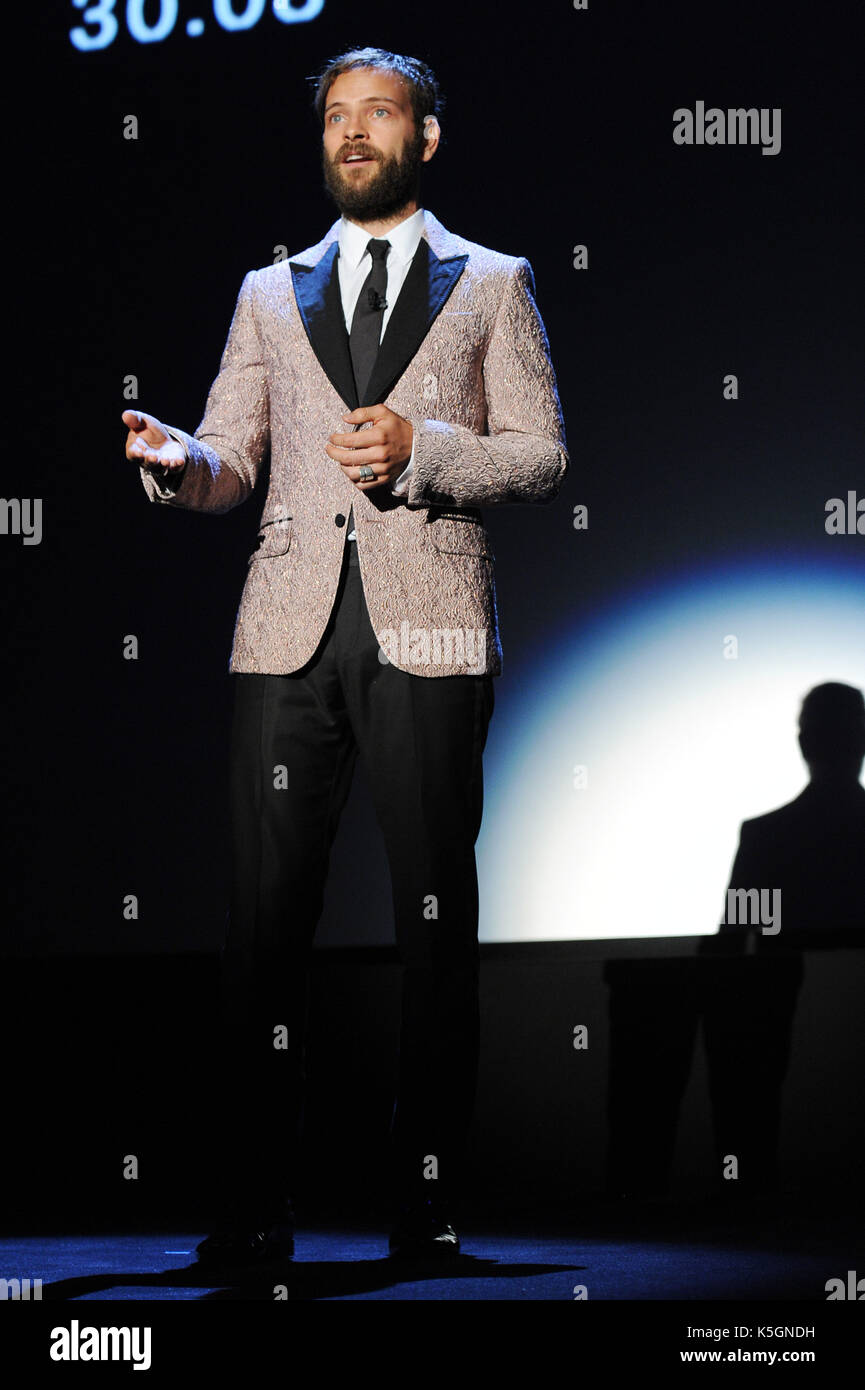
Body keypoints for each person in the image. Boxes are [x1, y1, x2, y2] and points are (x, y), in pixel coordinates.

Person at [123, 46, 568, 1266]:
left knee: (433, 920)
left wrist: (424, 446)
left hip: (428, 624)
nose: (354, 132)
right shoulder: (269, 293)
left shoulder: (494, 282)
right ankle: (251, 1208)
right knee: (262, 925)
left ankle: (423, 1213)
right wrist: (179, 462)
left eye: (380, 113)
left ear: (427, 136)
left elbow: (540, 455)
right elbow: (231, 455)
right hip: (284, 635)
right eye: (336, 116)